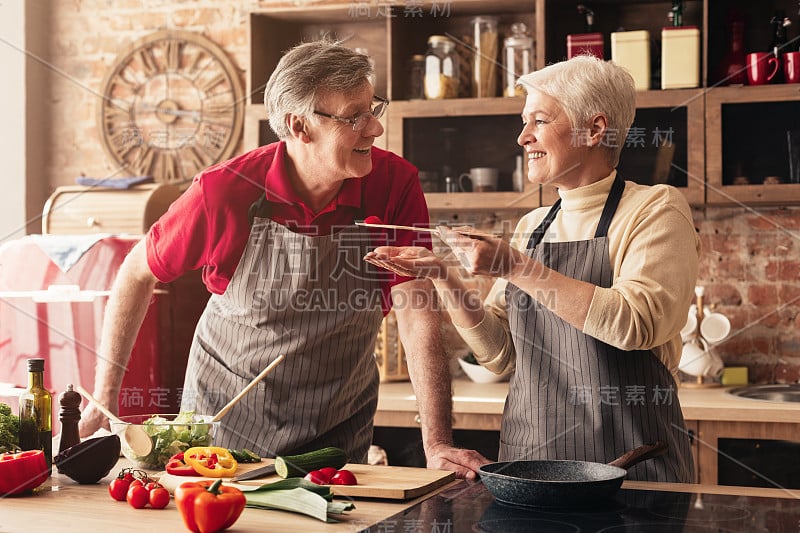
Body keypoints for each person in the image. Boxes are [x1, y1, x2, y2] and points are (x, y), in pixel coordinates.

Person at [80, 40, 487, 479]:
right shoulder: (223, 191)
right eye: (355, 116)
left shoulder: (395, 184)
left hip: (337, 431)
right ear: (300, 126)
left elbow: (416, 316)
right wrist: (105, 399)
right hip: (223, 429)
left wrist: (437, 442)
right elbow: (135, 273)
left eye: (374, 109)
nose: (374, 129)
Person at [365, 55, 699, 482]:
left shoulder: (654, 209)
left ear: (594, 129)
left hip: (628, 467)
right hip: (530, 466)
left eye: (539, 120)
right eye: (524, 122)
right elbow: (501, 356)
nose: (523, 137)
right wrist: (442, 276)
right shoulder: (532, 227)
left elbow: (636, 323)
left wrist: (515, 265)